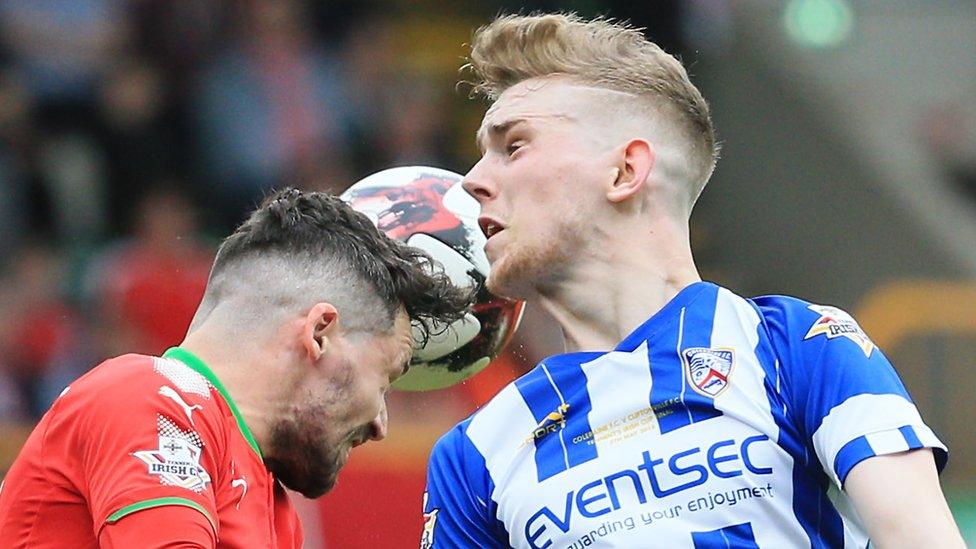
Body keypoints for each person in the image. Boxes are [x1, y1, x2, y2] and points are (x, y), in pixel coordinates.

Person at [421, 13, 965, 549]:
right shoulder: (474, 455)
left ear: (625, 172)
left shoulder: (798, 348)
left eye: (513, 145)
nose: (471, 181)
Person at [0, 187, 473, 548]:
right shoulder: (147, 396)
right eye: (385, 378)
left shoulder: (275, 506)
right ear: (320, 333)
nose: (380, 424)